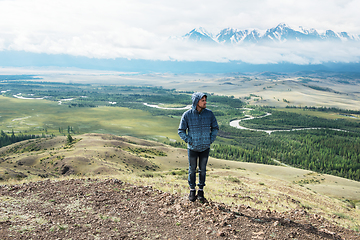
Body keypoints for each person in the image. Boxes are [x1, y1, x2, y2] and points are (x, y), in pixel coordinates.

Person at [178, 92, 219, 202]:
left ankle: (200, 191)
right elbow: (181, 131)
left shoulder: (209, 114)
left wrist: (210, 140)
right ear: (196, 102)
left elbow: (215, 128)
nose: (205, 102)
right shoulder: (187, 115)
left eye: (205, 100)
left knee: (203, 170)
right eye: (203, 100)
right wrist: (190, 141)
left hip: (205, 147)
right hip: (192, 149)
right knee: (192, 170)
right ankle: (192, 190)